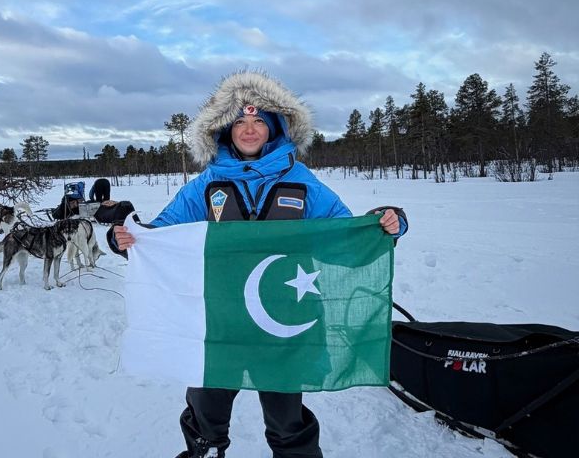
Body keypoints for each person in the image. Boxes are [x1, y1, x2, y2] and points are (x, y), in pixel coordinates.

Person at [108, 71, 407, 458]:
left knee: (287, 419)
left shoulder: (303, 183)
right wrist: (126, 239)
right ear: (225, 131)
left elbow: (344, 234)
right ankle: (205, 451)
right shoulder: (206, 185)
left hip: (284, 322)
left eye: (259, 122)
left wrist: (386, 222)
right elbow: (161, 233)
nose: (249, 130)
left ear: (276, 129)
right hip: (219, 318)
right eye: (240, 122)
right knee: (206, 409)